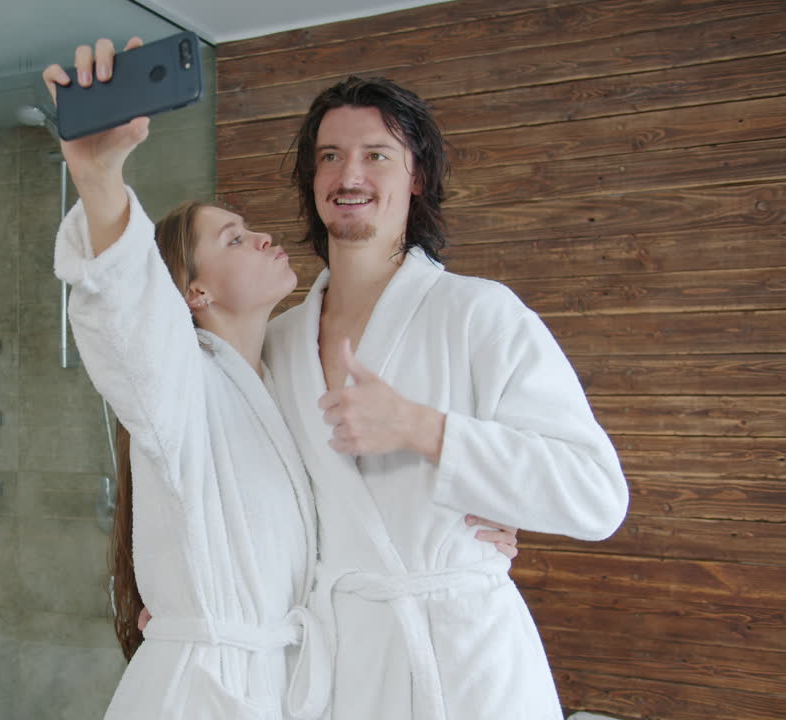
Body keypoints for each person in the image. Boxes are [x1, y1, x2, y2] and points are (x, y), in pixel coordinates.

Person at [43, 41, 518, 720]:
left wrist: (461, 527)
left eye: (250, 227)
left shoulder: (283, 377)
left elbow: (348, 509)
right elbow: (127, 319)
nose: (263, 237)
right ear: (193, 293)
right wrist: (99, 178)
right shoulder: (179, 379)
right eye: (233, 239)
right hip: (208, 693)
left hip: (287, 680)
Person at [262, 76, 631, 720]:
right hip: (339, 664)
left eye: (377, 154)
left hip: (465, 666)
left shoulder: (478, 313)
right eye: (329, 156)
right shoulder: (277, 342)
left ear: (417, 177)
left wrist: (425, 430)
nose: (349, 174)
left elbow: (596, 496)